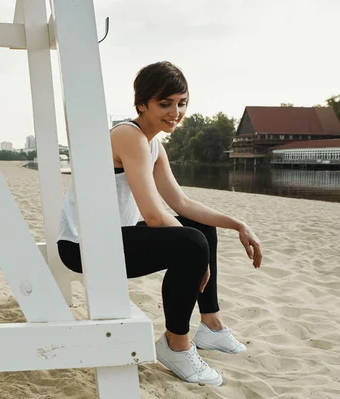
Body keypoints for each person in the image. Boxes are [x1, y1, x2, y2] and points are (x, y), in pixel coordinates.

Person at [56, 61, 263, 386]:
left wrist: (237, 224)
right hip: (83, 246)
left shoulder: (153, 143)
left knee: (201, 230)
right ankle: (175, 345)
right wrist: (198, 254)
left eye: (181, 103)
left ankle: (210, 325)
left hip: (112, 236)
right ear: (141, 104)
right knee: (193, 242)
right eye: (165, 104)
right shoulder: (128, 135)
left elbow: (181, 203)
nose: (175, 112)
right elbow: (153, 214)